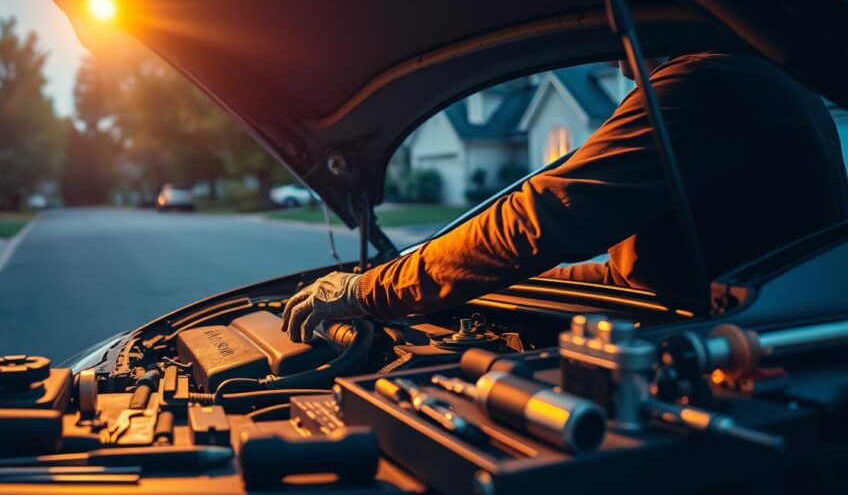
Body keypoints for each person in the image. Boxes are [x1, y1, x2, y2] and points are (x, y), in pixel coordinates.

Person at [281, 52, 848, 343]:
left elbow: (542, 217)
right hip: (740, 332)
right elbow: (640, 282)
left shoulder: (709, 84)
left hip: (737, 365)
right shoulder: (757, 80)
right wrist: (477, 287)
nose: (614, 58)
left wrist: (371, 290)